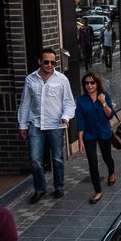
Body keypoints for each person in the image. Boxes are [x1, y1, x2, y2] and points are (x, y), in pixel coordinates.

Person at [18, 48, 75, 204]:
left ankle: (59, 187)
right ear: (39, 62)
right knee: (35, 159)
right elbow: (25, 104)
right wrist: (22, 125)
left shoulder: (62, 79)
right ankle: (40, 189)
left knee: (57, 158)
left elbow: (70, 103)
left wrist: (65, 117)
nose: (50, 65)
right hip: (35, 124)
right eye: (46, 62)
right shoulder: (30, 79)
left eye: (52, 62)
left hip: (56, 124)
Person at [76, 73, 116, 205]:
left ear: (97, 84)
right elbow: (80, 121)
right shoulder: (81, 100)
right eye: (87, 83)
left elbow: (110, 116)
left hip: (104, 132)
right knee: (92, 162)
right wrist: (80, 140)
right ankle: (98, 191)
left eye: (92, 83)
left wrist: (103, 102)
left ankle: (111, 172)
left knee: (107, 157)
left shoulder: (104, 96)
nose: (89, 85)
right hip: (89, 134)